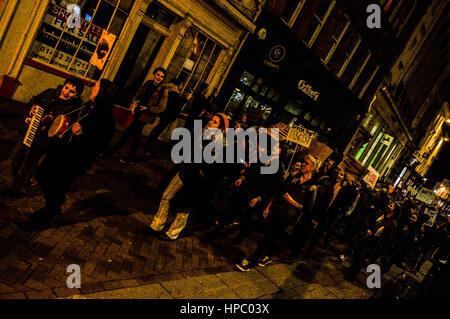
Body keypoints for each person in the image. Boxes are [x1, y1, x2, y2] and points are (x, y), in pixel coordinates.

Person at [19, 79, 117, 231]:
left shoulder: (106, 117)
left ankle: (46, 216)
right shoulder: (89, 106)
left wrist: (84, 133)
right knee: (42, 173)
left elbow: (102, 143)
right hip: (65, 150)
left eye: (96, 87)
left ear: (102, 93)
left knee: (56, 183)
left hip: (76, 159)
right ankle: (54, 206)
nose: (92, 88)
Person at [146, 113, 229, 241]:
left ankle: (173, 233)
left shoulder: (219, 143)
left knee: (184, 207)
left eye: (215, 122)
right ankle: (157, 224)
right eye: (211, 119)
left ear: (221, 128)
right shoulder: (201, 134)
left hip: (196, 178)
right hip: (185, 170)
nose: (210, 122)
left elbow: (211, 164)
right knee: (166, 196)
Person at [2, 78, 84, 198]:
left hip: (44, 140)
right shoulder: (50, 92)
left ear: (77, 95)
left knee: (28, 165)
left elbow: (65, 129)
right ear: (63, 85)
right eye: (66, 88)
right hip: (30, 130)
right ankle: (22, 183)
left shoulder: (74, 109)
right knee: (16, 158)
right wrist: (31, 109)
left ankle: (15, 190)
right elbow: (33, 102)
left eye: (72, 92)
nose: (66, 92)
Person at [105, 67, 168, 163]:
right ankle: (131, 157)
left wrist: (148, 108)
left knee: (127, 133)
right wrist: (135, 104)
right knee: (136, 136)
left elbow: (161, 107)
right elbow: (139, 94)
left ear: (163, 79)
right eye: (158, 74)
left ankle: (112, 152)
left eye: (162, 76)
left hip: (146, 116)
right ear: (154, 74)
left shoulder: (163, 91)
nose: (159, 77)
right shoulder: (148, 83)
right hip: (138, 112)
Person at [145, 77, 185, 156]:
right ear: (179, 84)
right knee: (159, 130)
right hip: (168, 114)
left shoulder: (165, 89)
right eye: (181, 85)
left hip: (161, 112)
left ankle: (149, 142)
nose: (182, 87)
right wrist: (185, 100)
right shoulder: (175, 93)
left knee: (157, 128)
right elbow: (176, 107)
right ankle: (150, 144)